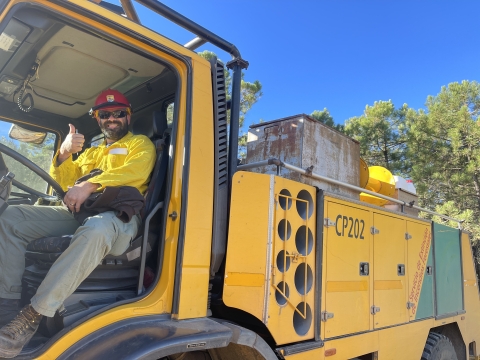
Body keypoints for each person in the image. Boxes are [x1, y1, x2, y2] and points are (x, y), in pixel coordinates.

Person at [0, 89, 156, 358]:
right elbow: (62, 182)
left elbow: (135, 172)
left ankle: (32, 315)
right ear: (97, 119)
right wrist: (63, 154)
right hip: (82, 213)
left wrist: (90, 184)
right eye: (104, 115)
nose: (111, 119)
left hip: (120, 217)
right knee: (13, 217)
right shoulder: (92, 152)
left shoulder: (140, 145)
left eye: (118, 113)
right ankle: (7, 304)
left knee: (96, 229)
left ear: (128, 116)